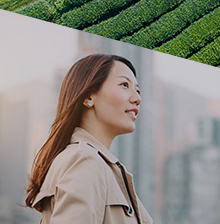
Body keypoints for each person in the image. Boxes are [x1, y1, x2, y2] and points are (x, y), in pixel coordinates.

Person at [26, 53, 152, 224]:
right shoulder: (84, 160)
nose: (138, 98)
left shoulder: (97, 163)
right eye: (124, 85)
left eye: (137, 90)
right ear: (88, 97)